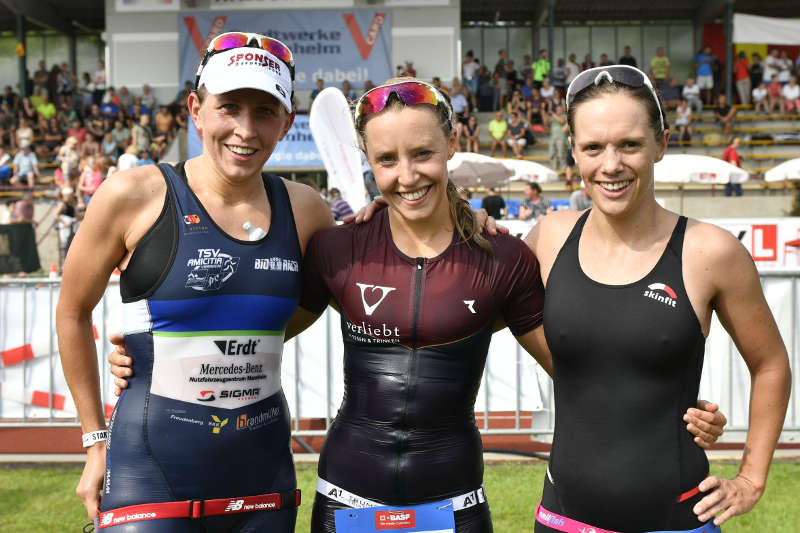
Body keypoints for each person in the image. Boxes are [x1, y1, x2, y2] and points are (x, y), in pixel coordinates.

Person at [57, 33, 332, 531]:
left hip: (263, 476)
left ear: (287, 122)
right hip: (150, 476)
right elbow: (72, 312)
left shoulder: (307, 210)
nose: (245, 130)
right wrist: (94, 440)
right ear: (195, 109)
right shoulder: (132, 194)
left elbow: (326, 295)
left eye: (265, 111)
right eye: (229, 107)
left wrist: (204, 345)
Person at [529, 64, 790, 532]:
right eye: (593, 147)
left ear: (661, 145)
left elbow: (771, 363)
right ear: (574, 152)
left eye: (629, 144)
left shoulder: (711, 251)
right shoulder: (548, 237)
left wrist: (751, 478)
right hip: (564, 519)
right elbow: (475, 301)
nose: (611, 164)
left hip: (677, 520)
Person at [548, 102, 567, 171]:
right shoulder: (553, 117)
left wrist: (552, 113)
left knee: (561, 154)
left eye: (559, 109)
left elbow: (562, 121)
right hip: (552, 138)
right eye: (557, 110)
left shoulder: (564, 116)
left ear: (562, 110)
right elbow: (546, 123)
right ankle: (553, 169)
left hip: (561, 138)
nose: (558, 111)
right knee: (552, 154)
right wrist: (543, 112)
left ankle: (563, 169)